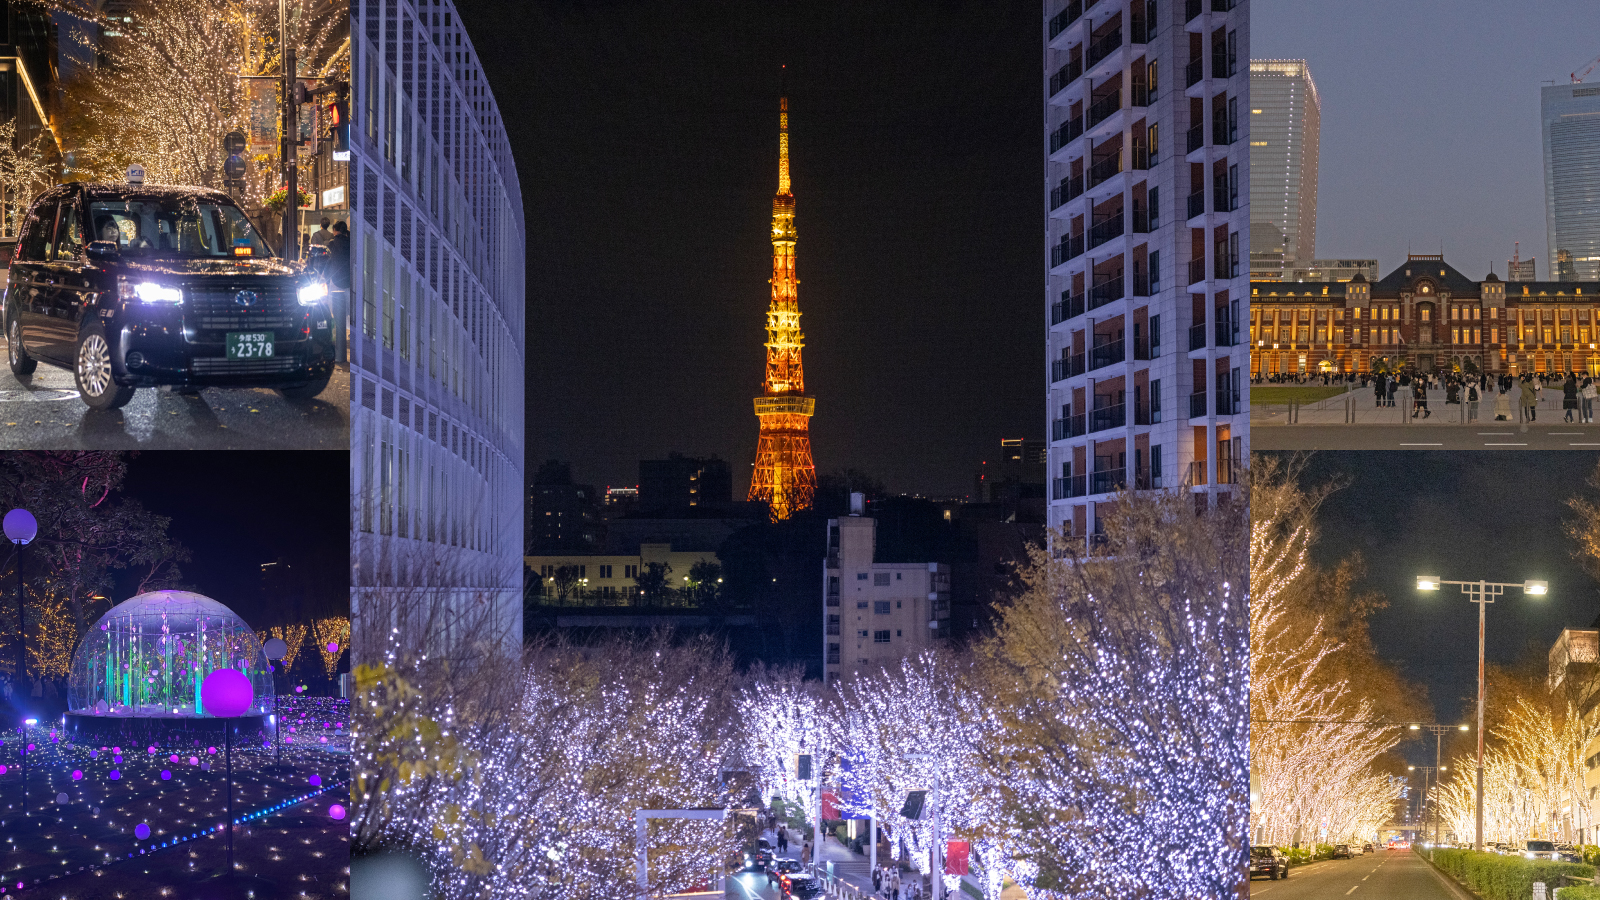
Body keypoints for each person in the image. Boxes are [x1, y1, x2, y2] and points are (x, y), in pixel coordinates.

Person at [326, 221, 351, 364]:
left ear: (335, 230)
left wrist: (323, 276)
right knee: (347, 311)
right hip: (348, 280)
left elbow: (327, 262)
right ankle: (347, 336)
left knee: (335, 312)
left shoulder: (331, 244)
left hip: (335, 281)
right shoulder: (351, 243)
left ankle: (337, 348)